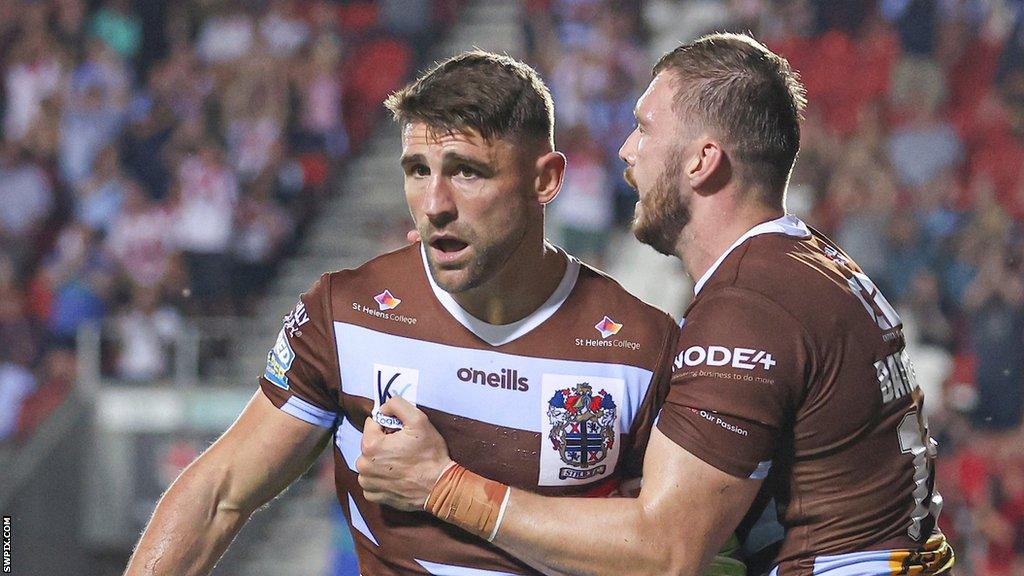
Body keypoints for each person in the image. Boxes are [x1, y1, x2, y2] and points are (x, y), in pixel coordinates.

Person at [357, 33, 956, 576]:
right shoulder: (809, 268)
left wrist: (442, 485)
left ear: (702, 160)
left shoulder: (748, 307)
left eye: (644, 128)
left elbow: (665, 549)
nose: (625, 149)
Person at [123, 51, 688, 575]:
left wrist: (446, 486)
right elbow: (217, 493)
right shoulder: (347, 314)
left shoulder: (641, 347)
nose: (435, 205)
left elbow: (670, 550)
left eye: (467, 171)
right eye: (418, 170)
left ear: (546, 180)